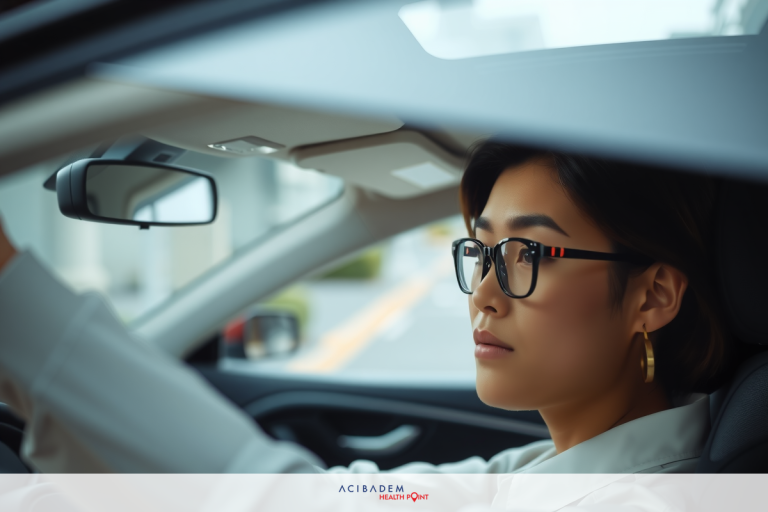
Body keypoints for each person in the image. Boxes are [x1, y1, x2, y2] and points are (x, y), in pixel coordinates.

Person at [0, 141, 735, 507]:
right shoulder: (547, 469)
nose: (482, 293)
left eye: (525, 253)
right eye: (481, 251)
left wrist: (14, 296)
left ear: (653, 298)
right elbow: (349, 496)